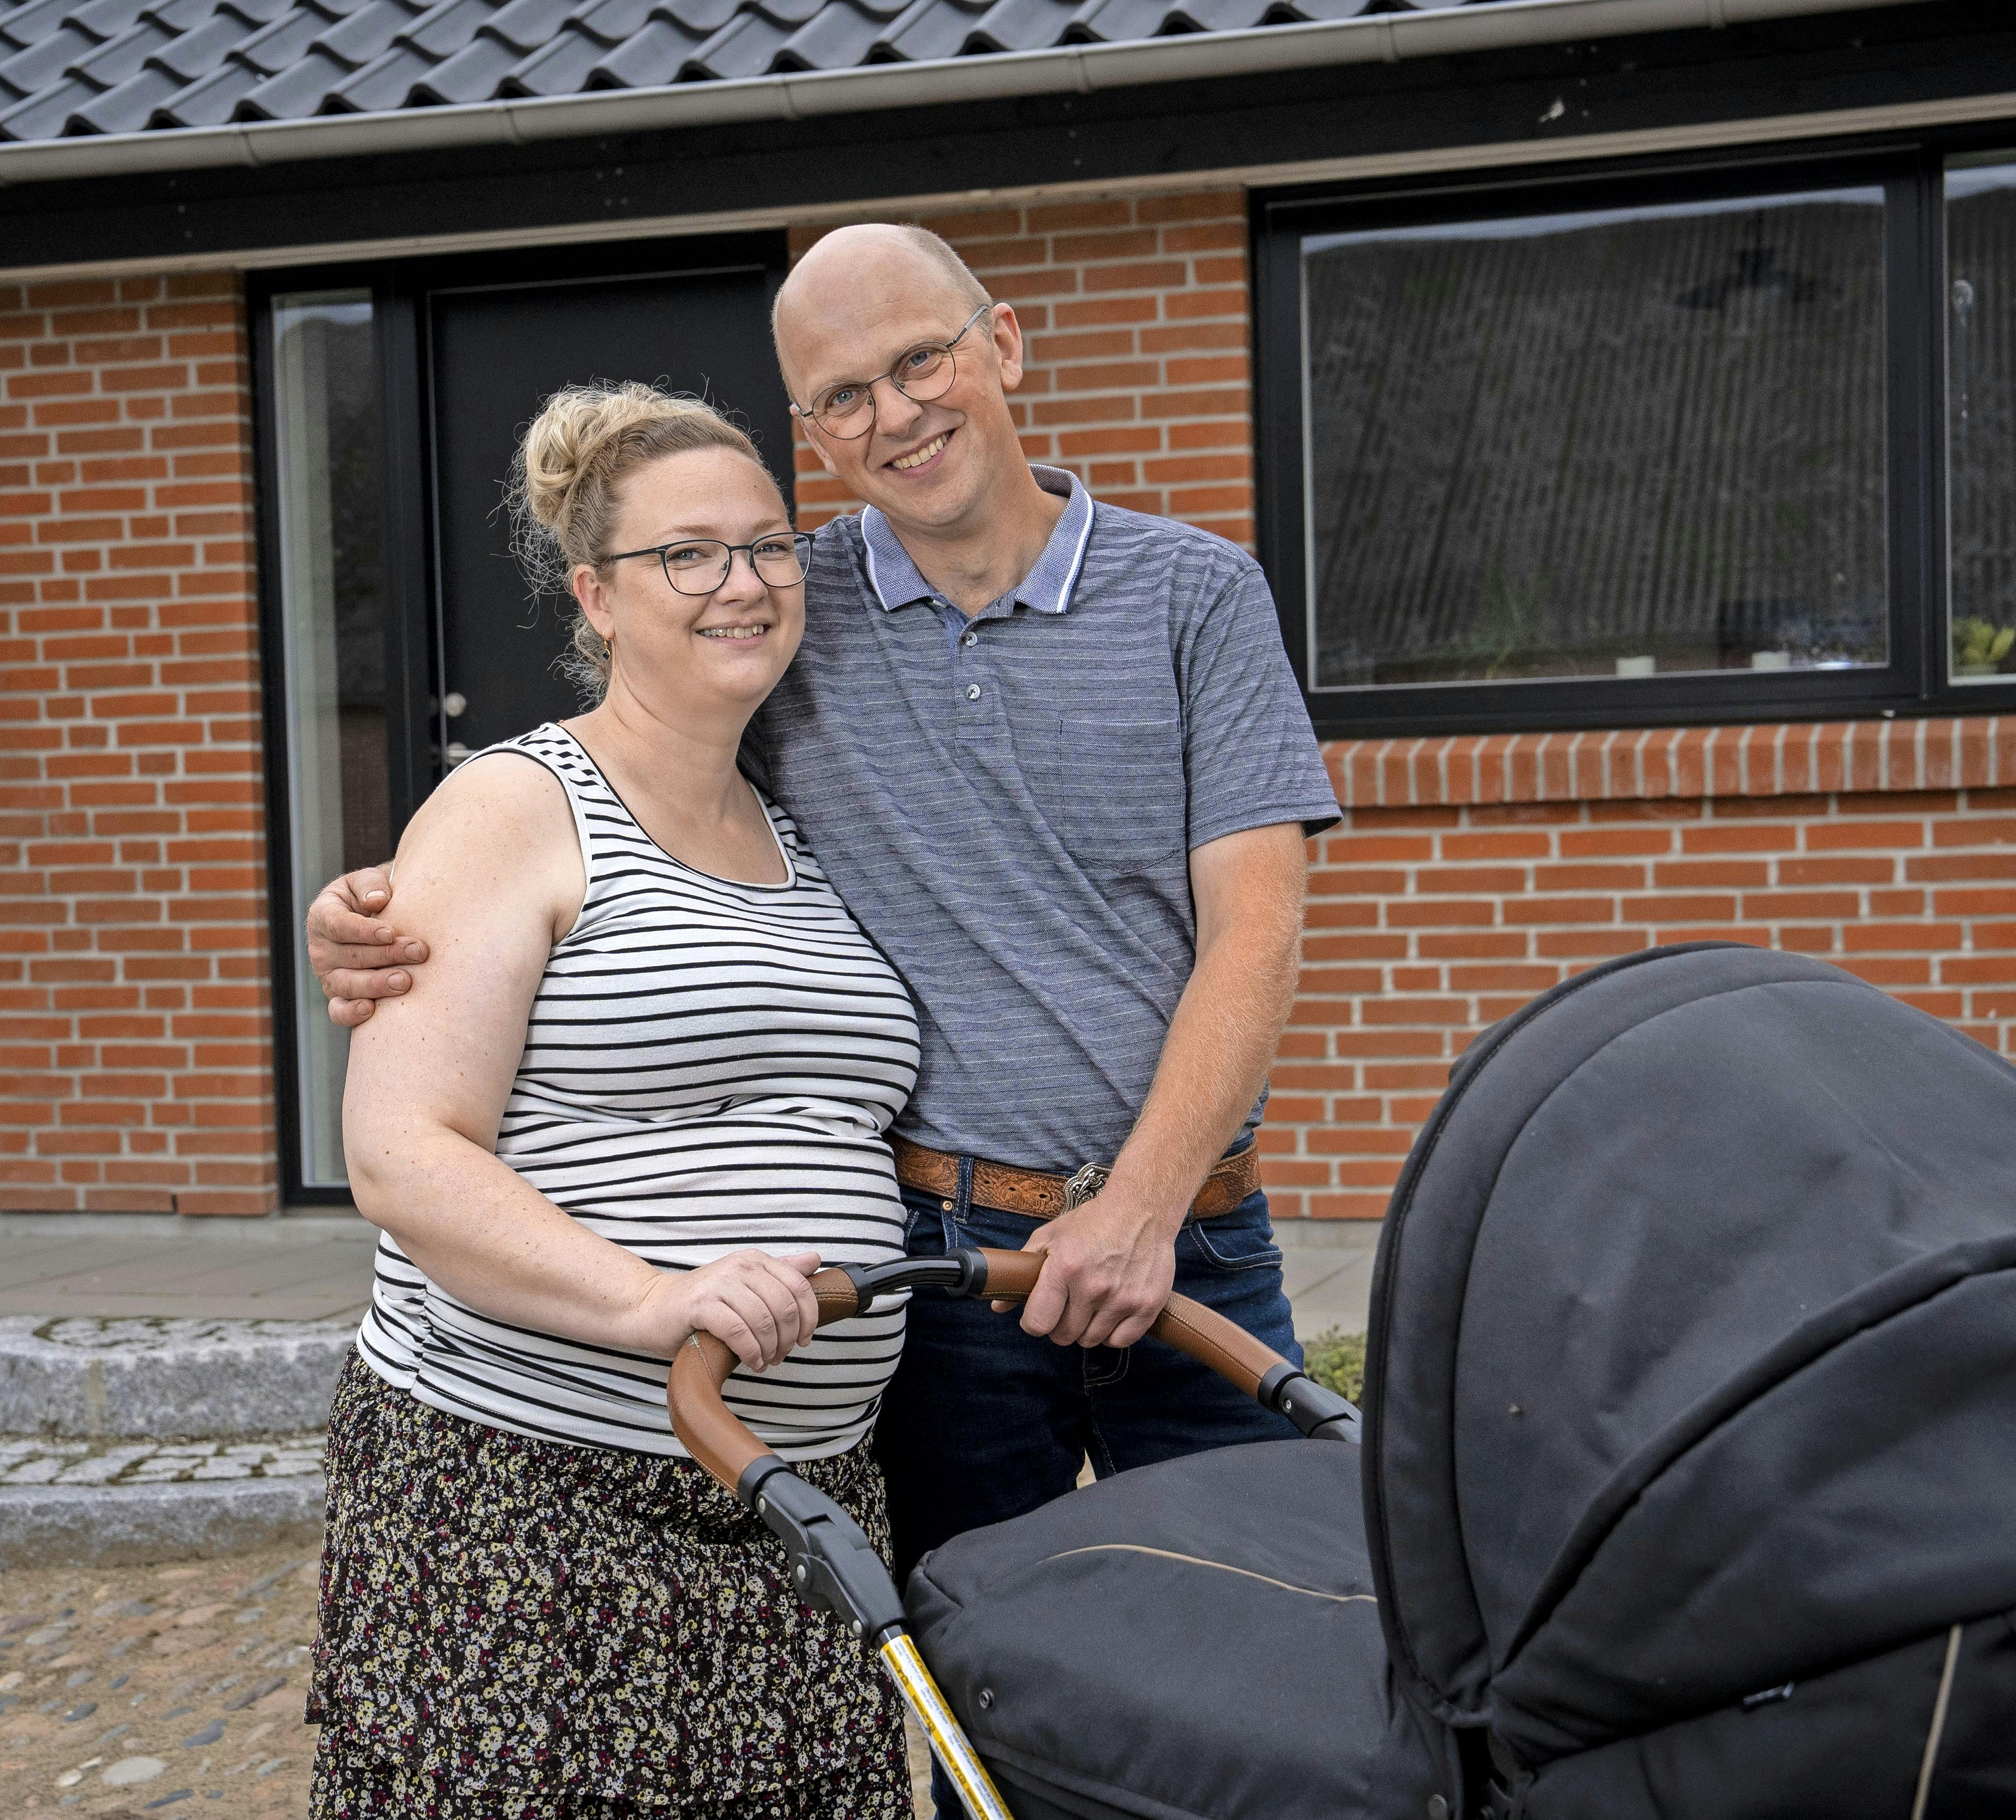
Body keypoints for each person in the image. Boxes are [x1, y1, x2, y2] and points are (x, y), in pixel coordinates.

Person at [306, 224, 1342, 1594]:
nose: (897, 414)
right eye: (843, 397)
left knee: (1268, 1647)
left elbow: (1255, 934)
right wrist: (393, 899)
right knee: (982, 1671)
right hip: (942, 1268)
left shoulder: (1195, 595)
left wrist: (1142, 1209)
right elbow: (614, 755)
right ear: (816, 432)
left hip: (1189, 1235)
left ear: (1005, 347)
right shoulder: (791, 601)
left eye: (922, 360)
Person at [310, 381, 921, 1819]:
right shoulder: (515, 807)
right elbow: (401, 1150)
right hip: (534, 1503)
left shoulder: (801, 824)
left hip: (789, 1513)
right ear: (595, 595)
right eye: (686, 555)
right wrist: (652, 1301)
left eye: (770, 546)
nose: (745, 583)